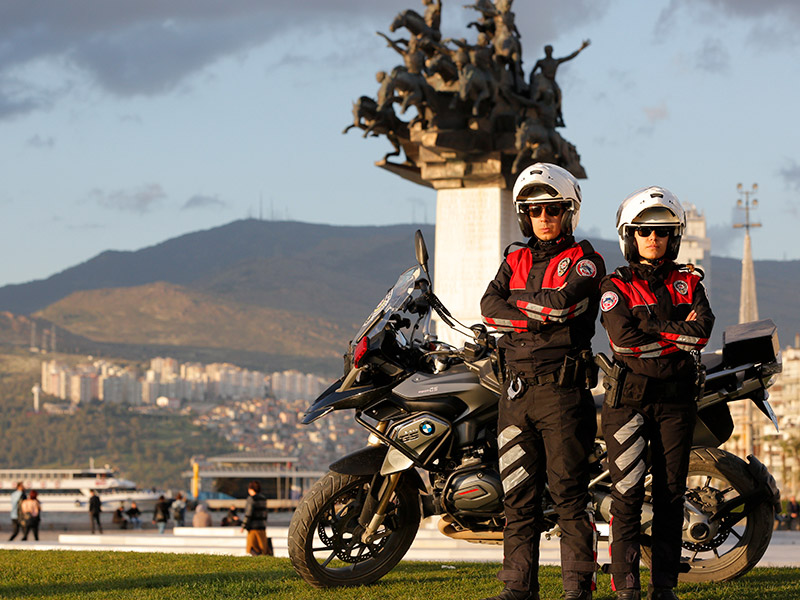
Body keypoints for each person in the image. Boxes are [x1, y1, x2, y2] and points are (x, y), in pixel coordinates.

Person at [480, 162, 606, 600]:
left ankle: (577, 591)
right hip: (514, 393)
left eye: (553, 208)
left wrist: (516, 307)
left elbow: (559, 307)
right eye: (534, 209)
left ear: (568, 211)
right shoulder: (513, 257)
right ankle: (517, 589)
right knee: (517, 496)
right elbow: (487, 307)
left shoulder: (587, 261)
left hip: (562, 393)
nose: (544, 217)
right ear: (524, 214)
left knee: (569, 496)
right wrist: (531, 310)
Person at [599, 187, 714, 600]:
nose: (653, 238)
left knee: (670, 495)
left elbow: (701, 333)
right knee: (626, 497)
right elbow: (624, 342)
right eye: (644, 230)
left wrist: (650, 327)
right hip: (628, 401)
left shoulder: (689, 281)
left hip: (676, 401)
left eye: (662, 231)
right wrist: (673, 331)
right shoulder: (615, 284)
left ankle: (663, 588)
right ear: (630, 235)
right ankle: (627, 591)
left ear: (673, 237)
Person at [241, 480, 270, 556]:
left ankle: (257, 562)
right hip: (262, 527)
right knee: (262, 548)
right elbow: (265, 513)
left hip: (253, 527)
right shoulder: (263, 499)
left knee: (252, 548)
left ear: (250, 489)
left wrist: (244, 525)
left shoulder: (251, 499)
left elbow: (248, 513)